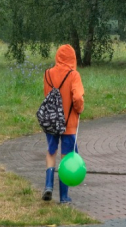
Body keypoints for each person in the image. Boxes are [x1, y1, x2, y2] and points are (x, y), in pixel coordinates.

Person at [42, 44, 85, 204]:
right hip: (69, 123)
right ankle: (64, 197)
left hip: (51, 122)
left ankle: (48, 186)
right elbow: (78, 98)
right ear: (72, 58)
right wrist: (79, 109)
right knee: (66, 157)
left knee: (51, 152)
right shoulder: (74, 75)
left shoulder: (47, 74)